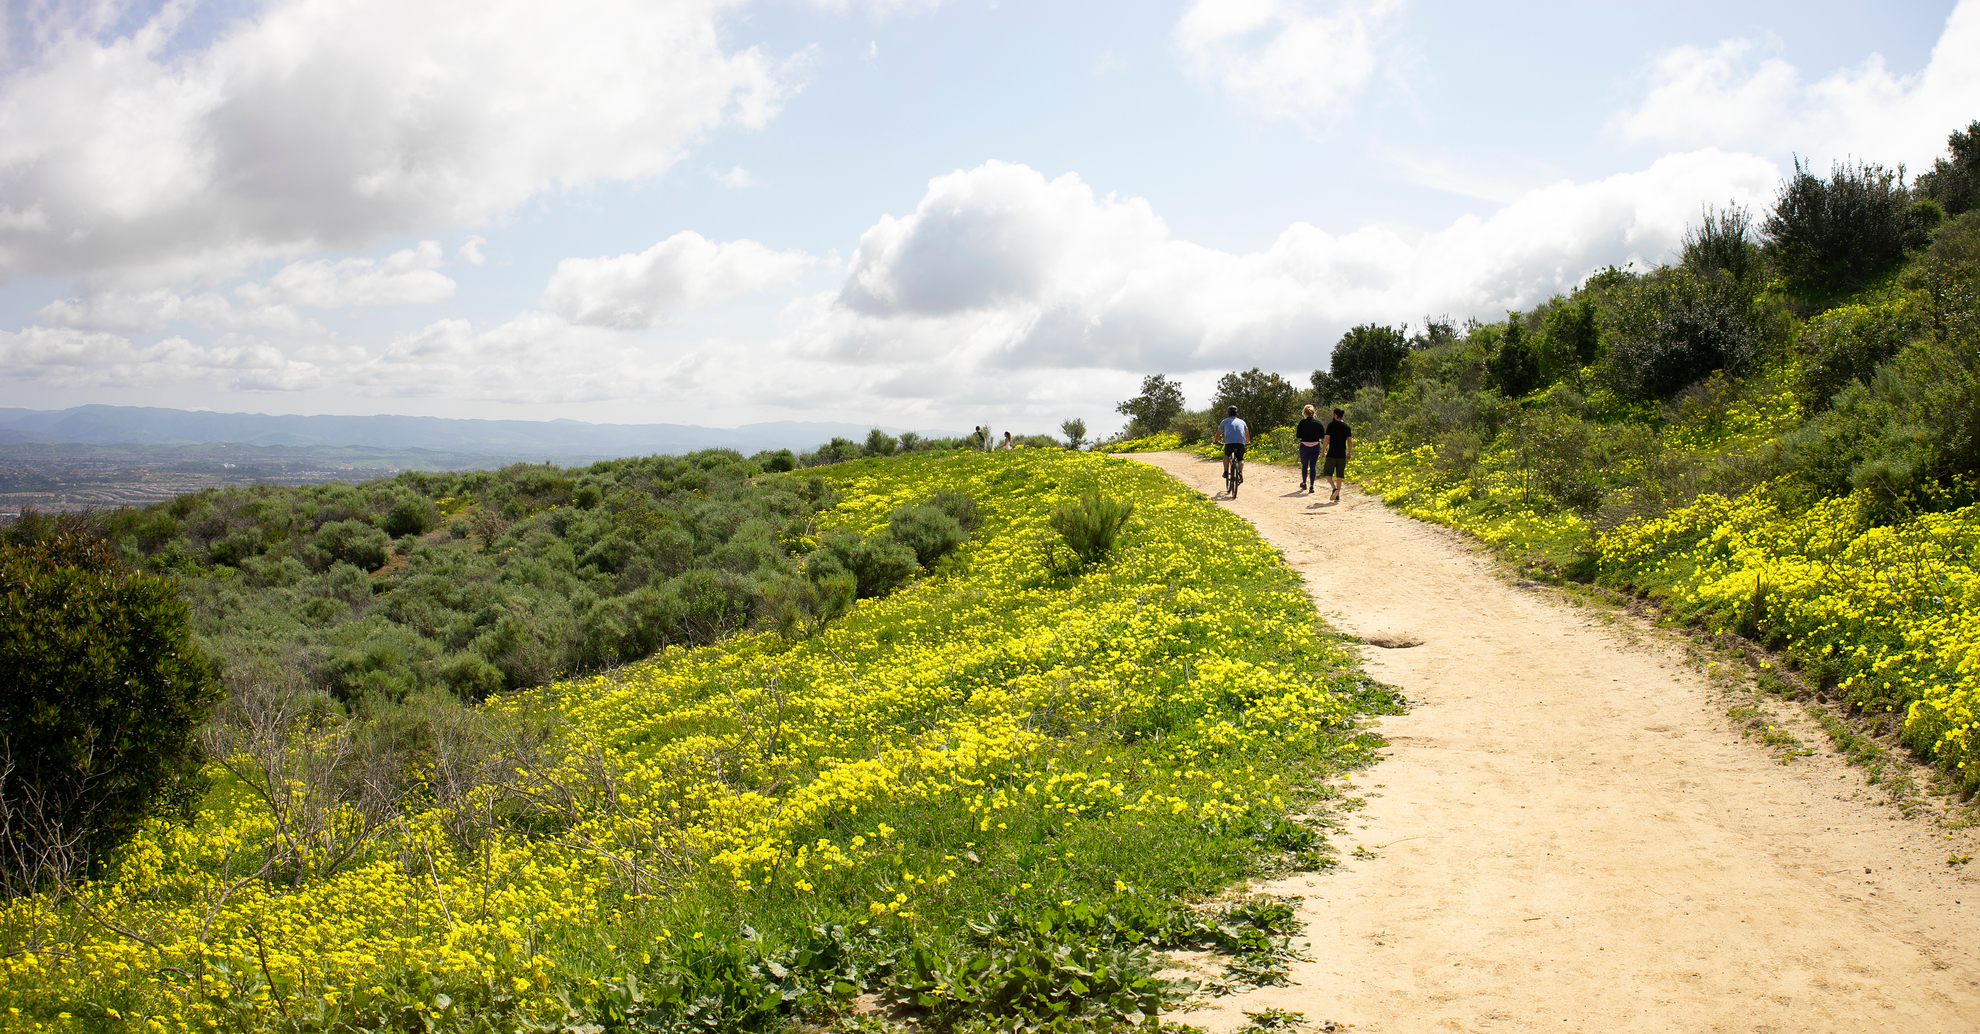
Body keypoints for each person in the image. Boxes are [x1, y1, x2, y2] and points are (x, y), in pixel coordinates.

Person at [1321, 407, 1352, 501]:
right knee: (1339, 475)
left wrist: (1322, 451)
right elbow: (1349, 441)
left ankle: (1334, 489)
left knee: (1327, 472)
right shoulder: (1347, 427)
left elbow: (1326, 439)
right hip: (1342, 453)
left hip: (1332, 453)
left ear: (1335, 415)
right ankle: (1338, 495)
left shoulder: (1331, 425)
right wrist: (1349, 452)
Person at [1294, 403, 1326, 493]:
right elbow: (1322, 435)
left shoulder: (1302, 422)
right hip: (1315, 446)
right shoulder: (1318, 423)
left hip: (1304, 445)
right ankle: (1312, 485)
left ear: (1304, 412)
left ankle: (1304, 483)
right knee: (1313, 466)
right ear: (1313, 412)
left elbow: (1298, 435)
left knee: (1304, 465)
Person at [1219, 404, 1249, 488]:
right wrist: (1247, 442)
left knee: (1226, 455)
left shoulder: (1224, 421)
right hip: (1241, 443)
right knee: (1240, 459)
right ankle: (1239, 472)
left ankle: (1225, 471)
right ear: (1236, 414)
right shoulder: (1242, 422)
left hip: (1229, 443)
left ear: (1228, 414)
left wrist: (1216, 440)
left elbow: (1219, 432)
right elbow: (1246, 433)